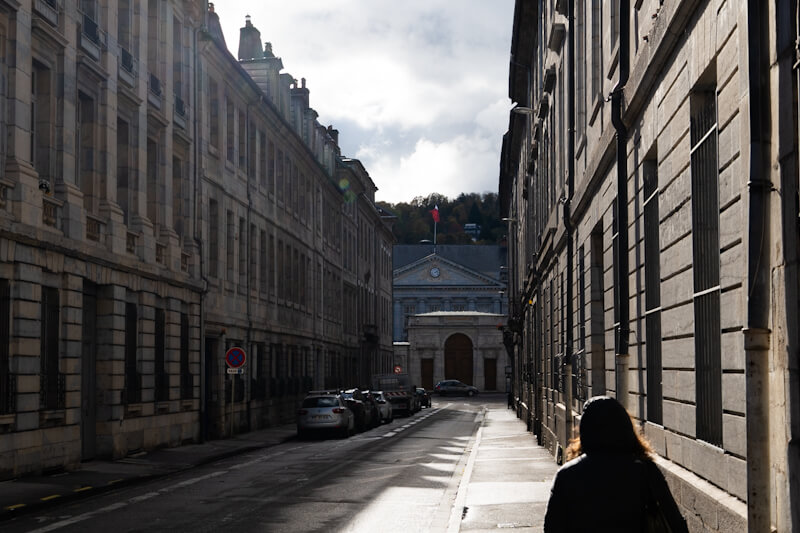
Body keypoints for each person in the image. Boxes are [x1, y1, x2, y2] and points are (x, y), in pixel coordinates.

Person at [543, 396, 688, 533]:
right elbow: (674, 521)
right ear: (626, 428)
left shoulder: (567, 475)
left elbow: (552, 527)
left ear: (585, 430)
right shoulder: (645, 470)